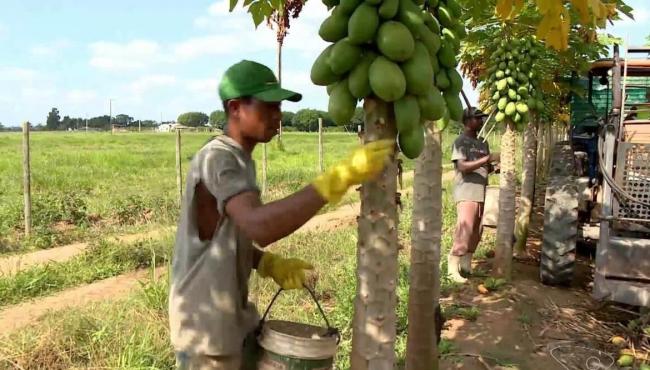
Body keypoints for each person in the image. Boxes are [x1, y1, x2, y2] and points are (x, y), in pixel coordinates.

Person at [168, 60, 393, 370]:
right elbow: (258, 226)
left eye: (280, 108)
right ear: (235, 108)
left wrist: (265, 262)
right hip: (207, 333)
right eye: (268, 107)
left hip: (232, 325)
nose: (278, 117)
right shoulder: (219, 158)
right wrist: (335, 180)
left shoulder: (239, 160)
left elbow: (222, 237)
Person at [448, 107, 500, 283]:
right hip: (467, 192)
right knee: (465, 229)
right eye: (477, 118)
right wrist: (487, 160)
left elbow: (485, 167)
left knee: (477, 231)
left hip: (481, 192)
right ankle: (452, 268)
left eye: (481, 118)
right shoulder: (460, 142)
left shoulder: (482, 144)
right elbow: (462, 167)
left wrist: (494, 168)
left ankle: (466, 266)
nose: (481, 121)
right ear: (467, 121)